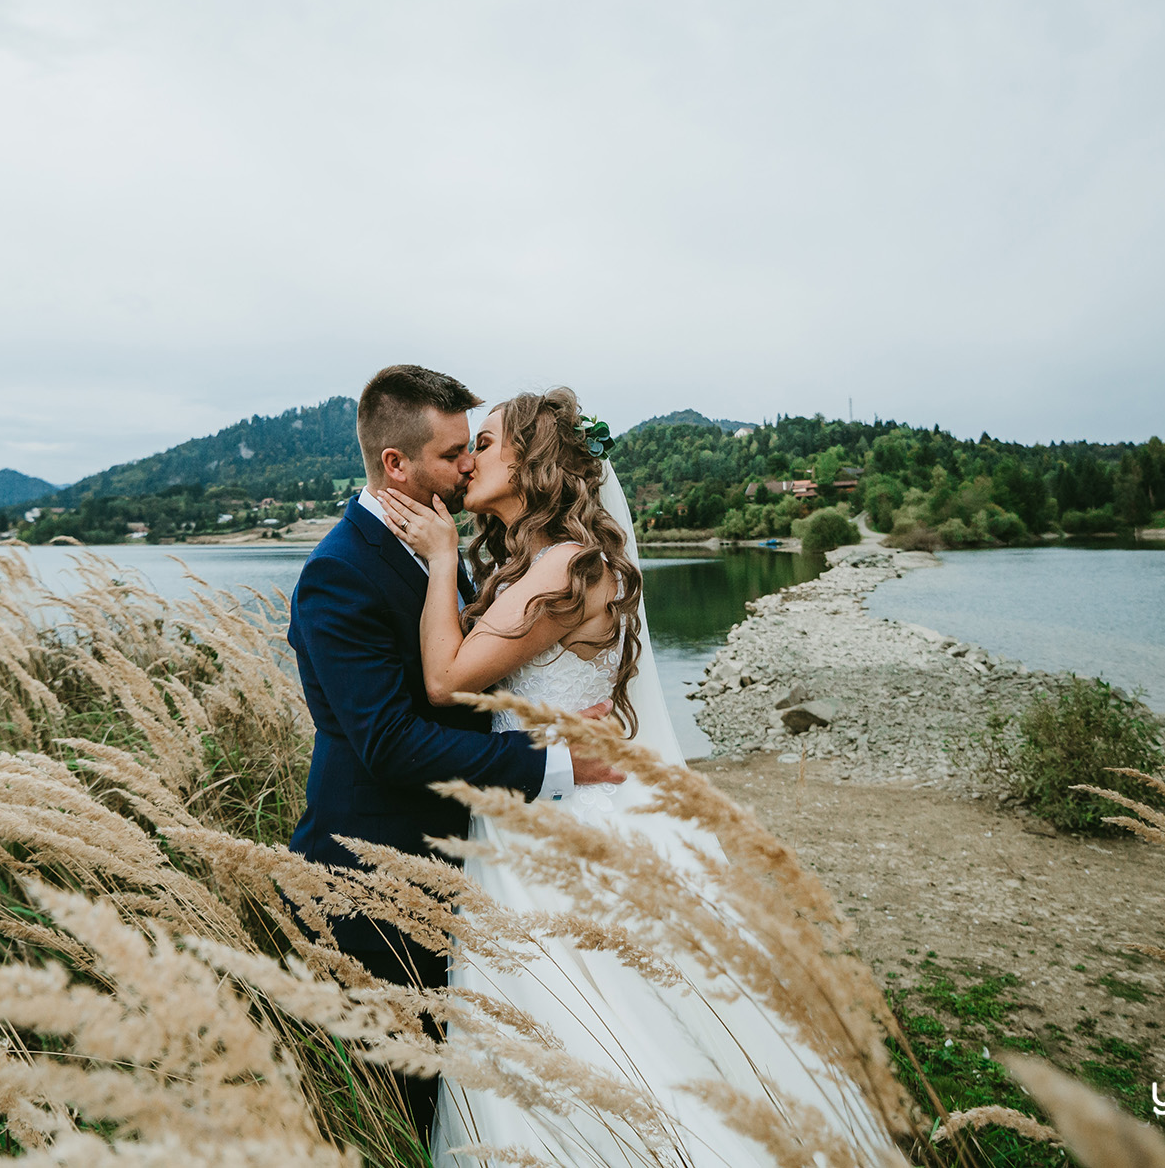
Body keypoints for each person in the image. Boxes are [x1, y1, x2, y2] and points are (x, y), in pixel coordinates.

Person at [373, 387, 894, 1167]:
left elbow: (446, 679)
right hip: (540, 802)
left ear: (531, 458)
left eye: (484, 442)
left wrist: (443, 555)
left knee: (588, 1021)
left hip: (562, 822)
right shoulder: (546, 561)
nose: (469, 459)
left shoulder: (564, 567)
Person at [286, 365, 621, 1142]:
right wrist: (555, 762)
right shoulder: (339, 571)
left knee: (493, 1082)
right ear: (395, 464)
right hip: (376, 884)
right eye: (452, 453)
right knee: (401, 1120)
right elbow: (390, 741)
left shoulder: (454, 548)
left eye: (477, 446)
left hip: (468, 866)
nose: (468, 464)